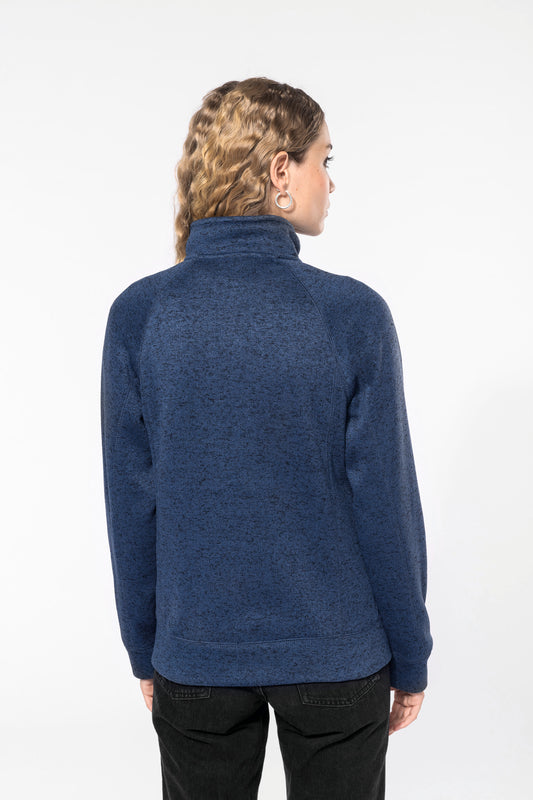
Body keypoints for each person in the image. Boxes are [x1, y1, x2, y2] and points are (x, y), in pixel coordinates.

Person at [100, 77, 433, 800]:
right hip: (336, 657)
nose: (331, 183)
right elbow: (385, 506)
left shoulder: (141, 314)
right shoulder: (352, 314)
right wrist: (411, 653)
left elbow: (132, 505)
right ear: (281, 171)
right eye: (324, 160)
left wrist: (145, 647)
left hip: (195, 657)